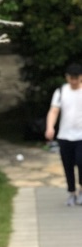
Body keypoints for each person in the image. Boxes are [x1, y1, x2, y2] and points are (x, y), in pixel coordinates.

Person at [45, 62, 82, 206]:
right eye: (71, 78)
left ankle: (81, 190)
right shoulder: (61, 91)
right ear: (67, 77)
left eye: (76, 78)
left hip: (81, 136)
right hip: (65, 135)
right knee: (68, 165)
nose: (73, 81)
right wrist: (50, 127)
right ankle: (71, 192)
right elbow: (54, 111)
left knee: (81, 162)